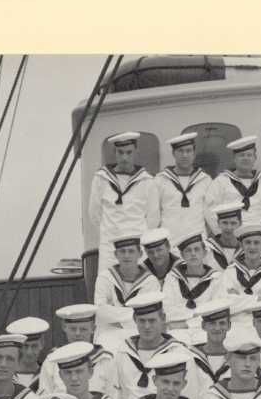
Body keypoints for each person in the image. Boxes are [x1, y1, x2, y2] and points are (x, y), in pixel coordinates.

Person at [89, 130, 159, 270]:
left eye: (129, 152)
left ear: (136, 152)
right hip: (110, 248)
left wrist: (140, 239)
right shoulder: (101, 179)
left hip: (137, 247)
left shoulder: (147, 181)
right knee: (108, 281)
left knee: (140, 282)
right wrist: (109, 233)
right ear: (114, 153)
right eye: (120, 152)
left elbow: (153, 218)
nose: (124, 157)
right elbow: (94, 214)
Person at [115, 292, 191, 399]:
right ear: (134, 319)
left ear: (163, 318)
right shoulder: (123, 352)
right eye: (142, 321)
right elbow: (116, 395)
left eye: (152, 321)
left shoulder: (180, 353)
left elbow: (189, 396)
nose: (147, 326)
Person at [93, 232, 162, 352]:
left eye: (131, 251)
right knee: (107, 350)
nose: (126, 255)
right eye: (122, 251)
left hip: (138, 330)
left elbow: (147, 314)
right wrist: (133, 314)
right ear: (116, 254)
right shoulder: (105, 277)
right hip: (109, 331)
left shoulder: (150, 281)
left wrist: (115, 316)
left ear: (140, 254)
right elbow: (100, 311)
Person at [39, 303, 119, 399]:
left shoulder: (105, 360)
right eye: (73, 329)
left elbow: (114, 398)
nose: (78, 334)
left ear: (93, 329)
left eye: (83, 329)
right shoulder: (52, 361)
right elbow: (44, 398)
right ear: (64, 327)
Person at [156, 133, 211, 248]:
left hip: (197, 242)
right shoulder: (160, 179)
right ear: (173, 153)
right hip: (170, 241)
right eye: (180, 151)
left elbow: (210, 214)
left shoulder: (205, 180)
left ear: (194, 153)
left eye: (188, 151)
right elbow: (154, 214)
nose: (185, 155)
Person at [204, 136, 261, 233]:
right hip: (231, 234)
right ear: (234, 158)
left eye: (249, 155)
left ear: (255, 158)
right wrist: (221, 233)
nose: (245, 158)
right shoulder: (221, 182)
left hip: (257, 234)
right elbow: (210, 210)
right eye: (241, 155)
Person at [162, 230, 220, 338]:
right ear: (182, 255)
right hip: (176, 331)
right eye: (188, 250)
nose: (193, 253)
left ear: (204, 253)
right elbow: (167, 310)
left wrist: (187, 323)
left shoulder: (216, 279)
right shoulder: (172, 278)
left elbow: (215, 313)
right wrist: (199, 313)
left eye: (197, 249)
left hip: (205, 330)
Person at [219, 223, 261, 304]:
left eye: (256, 243)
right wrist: (258, 299)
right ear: (241, 245)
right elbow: (226, 303)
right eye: (248, 242)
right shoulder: (230, 272)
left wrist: (238, 297)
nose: (252, 247)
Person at [6, 316, 51, 390]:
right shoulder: (6, 376)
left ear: (42, 344)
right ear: (17, 347)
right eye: (25, 346)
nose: (29, 352)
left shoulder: (48, 375)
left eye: (34, 346)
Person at [205, 202, 245, 270]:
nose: (229, 227)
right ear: (218, 223)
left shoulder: (245, 249)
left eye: (233, 223)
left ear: (240, 223)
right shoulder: (208, 248)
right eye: (225, 223)